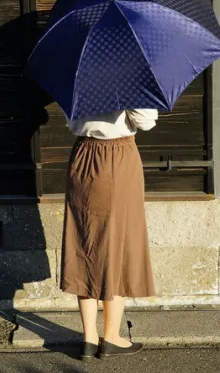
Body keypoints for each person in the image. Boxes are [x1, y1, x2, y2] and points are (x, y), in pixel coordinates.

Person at [60, 108, 158, 361]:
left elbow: (72, 125)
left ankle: (89, 339)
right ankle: (112, 337)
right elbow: (145, 122)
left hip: (82, 156)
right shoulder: (129, 77)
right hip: (118, 155)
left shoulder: (78, 76)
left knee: (84, 242)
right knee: (120, 242)